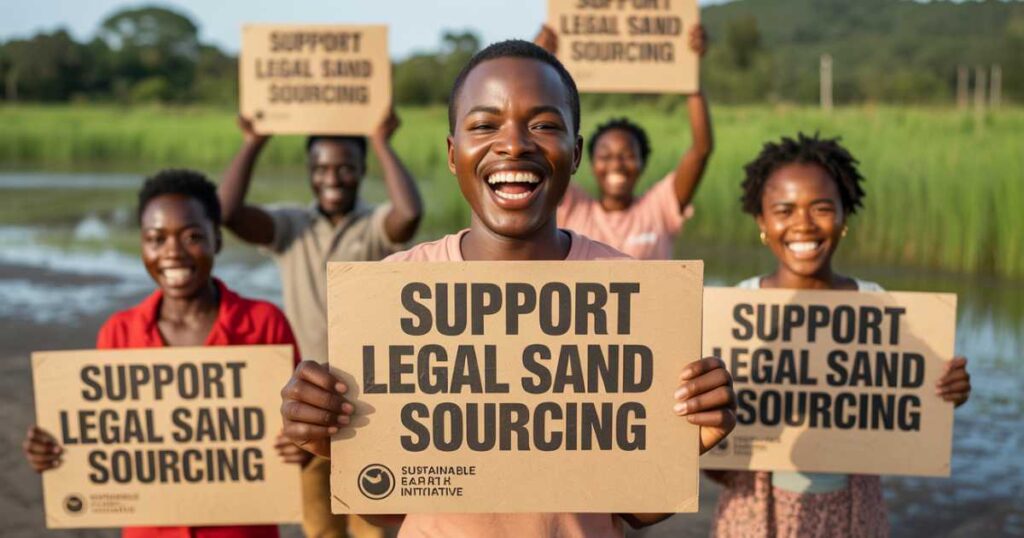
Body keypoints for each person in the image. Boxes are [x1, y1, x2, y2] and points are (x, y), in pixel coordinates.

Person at [278, 39, 737, 538]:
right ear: (454, 154)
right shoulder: (396, 286)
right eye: (484, 125)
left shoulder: (631, 291)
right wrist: (333, 438)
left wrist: (685, 441)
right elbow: (388, 510)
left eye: (542, 125)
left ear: (575, 152)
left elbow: (635, 512)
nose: (514, 144)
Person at [708, 133, 973, 537]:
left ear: (845, 217)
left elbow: (909, 399)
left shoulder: (877, 304)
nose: (803, 224)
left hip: (855, 507)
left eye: (822, 208)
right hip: (755, 506)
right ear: (762, 221)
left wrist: (946, 392)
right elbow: (710, 440)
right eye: (784, 209)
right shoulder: (733, 309)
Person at [22, 169, 308, 538]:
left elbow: (301, 427)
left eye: (192, 237)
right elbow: (106, 440)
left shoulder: (264, 322)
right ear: (141, 245)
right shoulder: (119, 332)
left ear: (216, 240)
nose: (172, 252)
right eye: (156, 239)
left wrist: (304, 445)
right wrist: (56, 454)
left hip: (243, 528)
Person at [219, 110, 423, 538]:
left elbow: (408, 213)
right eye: (321, 168)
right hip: (308, 402)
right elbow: (228, 211)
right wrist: (254, 140)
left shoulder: (373, 227)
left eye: (346, 167)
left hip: (371, 404)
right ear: (309, 172)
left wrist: (381, 140)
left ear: (363, 170)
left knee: (374, 527)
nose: (333, 177)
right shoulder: (292, 226)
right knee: (319, 527)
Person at [534, 24, 713, 259]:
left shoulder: (658, 209)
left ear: (642, 162)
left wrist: (690, 75)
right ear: (581, 160)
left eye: (627, 156)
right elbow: (539, 155)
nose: (616, 165)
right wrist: (538, 62)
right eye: (605, 156)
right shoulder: (573, 205)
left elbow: (701, 150)